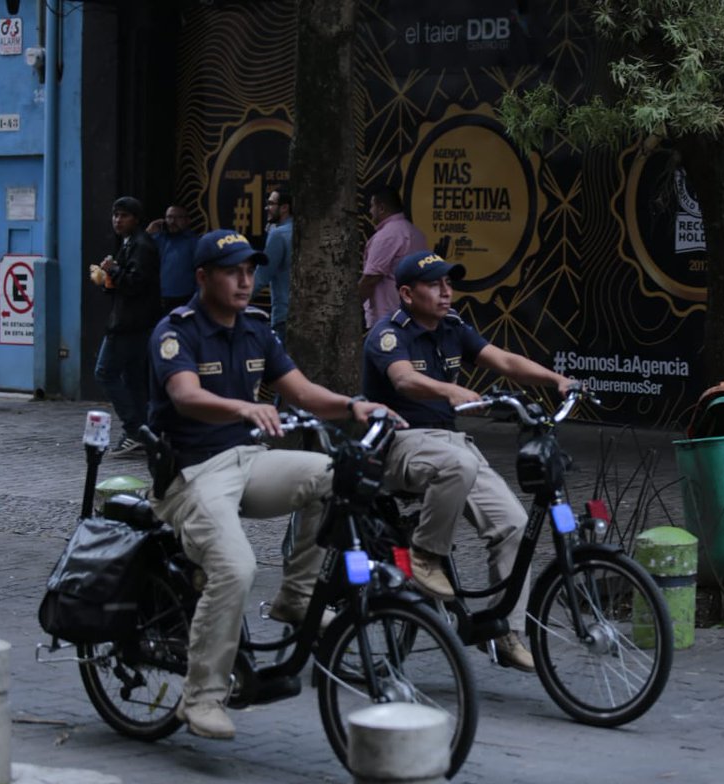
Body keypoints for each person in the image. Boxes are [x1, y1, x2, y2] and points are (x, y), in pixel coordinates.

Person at [147, 229, 401, 740]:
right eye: (232, 272)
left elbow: (302, 392)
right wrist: (244, 408)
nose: (245, 281)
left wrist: (355, 406)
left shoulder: (257, 330)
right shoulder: (176, 331)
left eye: (250, 270)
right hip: (193, 473)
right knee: (236, 568)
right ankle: (202, 697)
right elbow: (185, 395)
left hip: (247, 460)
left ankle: (297, 597)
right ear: (203, 277)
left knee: (333, 477)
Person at [362, 250, 573, 672]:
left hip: (451, 443)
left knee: (513, 525)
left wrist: (557, 380)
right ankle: (425, 554)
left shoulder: (453, 328)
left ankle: (505, 630)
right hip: (400, 442)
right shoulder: (388, 334)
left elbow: (505, 361)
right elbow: (403, 379)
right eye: (434, 285)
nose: (446, 292)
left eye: (449, 283)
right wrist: (449, 390)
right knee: (457, 463)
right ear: (407, 294)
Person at [92, 196, 161, 457]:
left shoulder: (142, 245)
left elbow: (135, 284)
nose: (117, 220)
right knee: (133, 379)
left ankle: (133, 429)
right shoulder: (130, 242)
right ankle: (144, 431)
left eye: (124, 216)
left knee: (105, 372)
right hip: (133, 321)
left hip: (129, 323)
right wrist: (107, 278)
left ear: (136, 219)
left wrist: (113, 270)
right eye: (115, 215)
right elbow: (124, 283)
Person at [358, 186, 427, 328]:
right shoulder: (416, 233)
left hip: (389, 318)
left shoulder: (387, 236)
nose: (370, 211)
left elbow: (371, 279)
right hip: (413, 314)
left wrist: (349, 306)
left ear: (381, 208)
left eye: (372, 206)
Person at [252, 189, 293, 343]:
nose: (266, 208)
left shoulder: (279, 234)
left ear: (284, 207)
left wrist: (232, 303)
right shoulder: (299, 230)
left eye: (270, 203)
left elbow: (262, 276)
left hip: (284, 315)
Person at [146, 205, 199, 311]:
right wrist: (148, 232)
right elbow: (138, 250)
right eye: (169, 217)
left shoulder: (195, 242)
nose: (172, 221)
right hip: (157, 299)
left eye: (178, 217)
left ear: (188, 220)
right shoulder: (158, 238)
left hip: (184, 300)